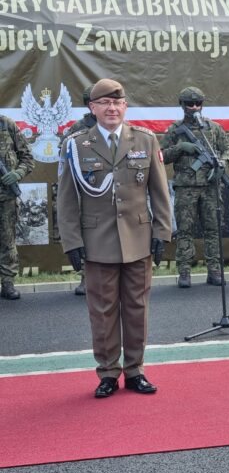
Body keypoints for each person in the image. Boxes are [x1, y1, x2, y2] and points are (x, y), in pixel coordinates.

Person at [57, 78, 171, 398]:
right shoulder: (77, 145)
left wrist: (162, 232)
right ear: (92, 109)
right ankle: (108, 371)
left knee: (137, 308)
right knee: (103, 311)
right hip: (97, 242)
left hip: (138, 237)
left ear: (125, 107)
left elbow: (159, 193)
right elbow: (66, 199)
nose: (112, 108)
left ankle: (135, 370)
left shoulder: (145, 140)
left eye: (117, 103)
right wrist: (72, 242)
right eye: (105, 103)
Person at [161, 87, 229, 287]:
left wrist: (223, 164)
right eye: (189, 104)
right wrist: (180, 148)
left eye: (197, 104)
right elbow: (160, 156)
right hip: (186, 188)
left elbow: (228, 148)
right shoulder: (175, 130)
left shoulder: (213, 128)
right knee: (185, 231)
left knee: (213, 230)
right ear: (182, 105)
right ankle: (184, 272)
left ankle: (215, 271)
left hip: (210, 187)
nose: (194, 107)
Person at [63, 84, 97, 296]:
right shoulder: (78, 127)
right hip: (83, 187)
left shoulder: (118, 126)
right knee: (85, 232)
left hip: (109, 188)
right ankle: (86, 277)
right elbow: (64, 152)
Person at [0, 116, 34, 300]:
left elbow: (27, 157)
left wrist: (17, 173)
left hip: (6, 198)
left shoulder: (6, 125)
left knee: (7, 240)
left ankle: (7, 284)